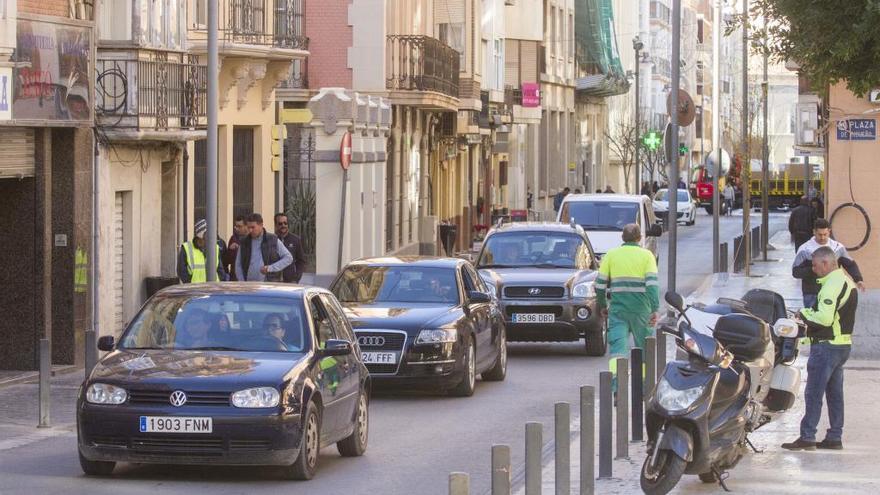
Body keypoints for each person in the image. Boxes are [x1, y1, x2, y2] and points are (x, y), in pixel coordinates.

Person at [782, 247, 858, 451]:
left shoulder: (832, 285)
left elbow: (824, 318)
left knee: (813, 393)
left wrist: (803, 315)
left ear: (826, 263)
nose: (813, 269)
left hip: (827, 346)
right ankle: (835, 436)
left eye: (815, 265)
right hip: (842, 346)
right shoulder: (845, 280)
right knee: (835, 394)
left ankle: (807, 436)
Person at [595, 224, 660, 389]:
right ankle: (645, 388)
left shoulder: (611, 255)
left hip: (618, 311)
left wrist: (603, 305)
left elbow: (600, 285)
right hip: (641, 311)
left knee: (618, 351)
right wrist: (654, 309)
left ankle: (617, 389)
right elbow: (652, 286)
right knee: (644, 349)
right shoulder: (647, 256)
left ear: (622, 238)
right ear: (639, 238)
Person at [792, 218, 865, 309]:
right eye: (819, 235)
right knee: (812, 321)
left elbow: (850, 264)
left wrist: (858, 279)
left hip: (833, 291)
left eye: (825, 234)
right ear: (814, 232)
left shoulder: (837, 248)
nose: (822, 237)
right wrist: (814, 269)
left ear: (829, 232)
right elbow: (795, 272)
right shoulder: (804, 249)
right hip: (812, 293)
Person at [235, 213, 293, 282]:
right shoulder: (244, 242)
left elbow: (288, 258)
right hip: (249, 285)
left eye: (253, 227)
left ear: (261, 225)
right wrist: (242, 282)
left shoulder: (272, 240)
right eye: (248, 227)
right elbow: (238, 265)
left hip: (268, 285)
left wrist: (270, 268)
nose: (250, 230)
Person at [274, 212, 308, 283]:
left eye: (285, 223)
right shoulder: (272, 240)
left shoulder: (296, 240)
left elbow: (301, 261)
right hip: (274, 281)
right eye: (280, 224)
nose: (283, 225)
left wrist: (296, 278)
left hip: (290, 281)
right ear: (276, 225)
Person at [224, 215, 248, 280]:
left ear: (246, 226)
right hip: (235, 279)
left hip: (248, 278)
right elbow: (226, 261)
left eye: (239, 226)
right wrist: (230, 250)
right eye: (236, 226)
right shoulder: (233, 239)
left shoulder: (251, 239)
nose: (237, 229)